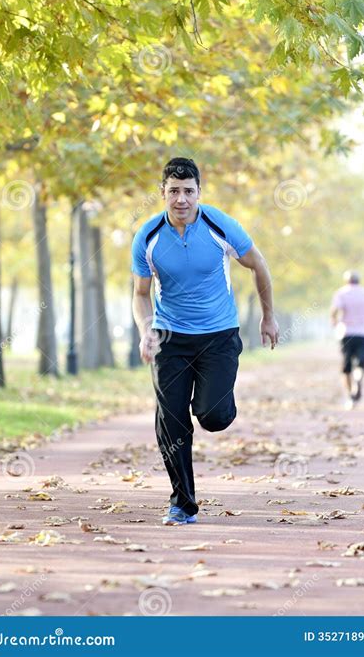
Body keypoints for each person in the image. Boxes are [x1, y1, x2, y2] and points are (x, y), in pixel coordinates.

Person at [131, 157, 279, 525]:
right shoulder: (147, 237)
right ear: (162, 193)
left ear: (199, 192)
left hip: (218, 336)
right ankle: (182, 503)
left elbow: (258, 264)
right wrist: (146, 329)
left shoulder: (219, 225)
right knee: (171, 419)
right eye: (174, 191)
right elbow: (140, 293)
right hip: (170, 338)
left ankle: (217, 403)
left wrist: (268, 315)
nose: (181, 199)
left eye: (188, 191)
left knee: (213, 417)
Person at [330, 270, 364, 410]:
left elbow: (334, 312)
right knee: (360, 363)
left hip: (346, 333)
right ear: (359, 280)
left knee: (346, 366)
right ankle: (358, 382)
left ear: (347, 281)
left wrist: (335, 322)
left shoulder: (341, 293)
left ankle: (350, 395)